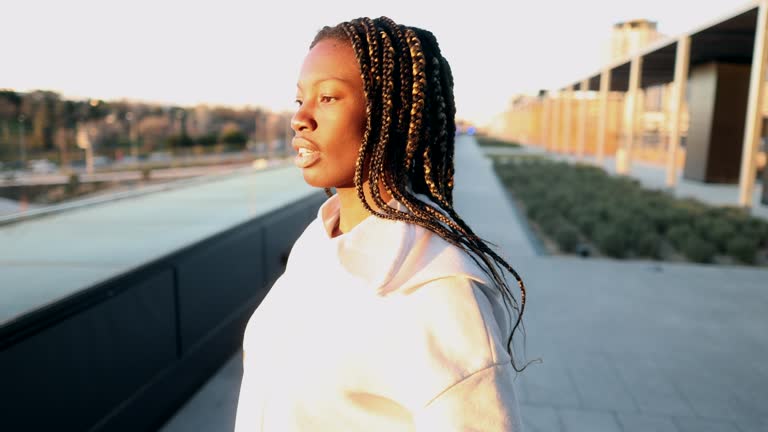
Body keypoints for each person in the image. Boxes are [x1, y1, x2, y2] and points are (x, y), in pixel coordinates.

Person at [234, 16, 533, 431]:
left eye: (329, 98)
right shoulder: (318, 242)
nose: (300, 118)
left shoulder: (441, 296)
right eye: (300, 98)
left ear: (391, 113)